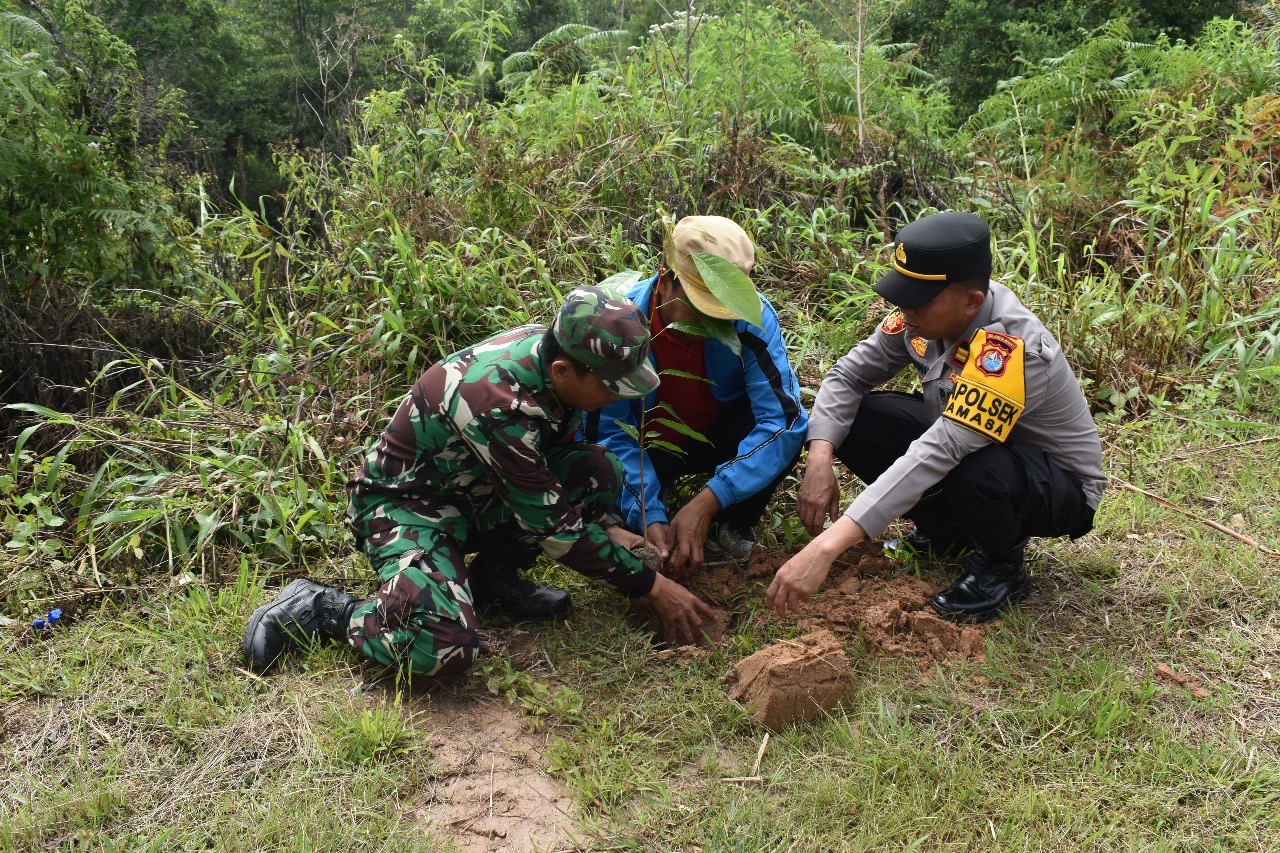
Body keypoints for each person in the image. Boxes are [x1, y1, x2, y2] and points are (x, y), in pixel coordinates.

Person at [243, 286, 713, 675]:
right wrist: (652, 586)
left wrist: (609, 525)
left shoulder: (557, 361)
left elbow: (548, 474)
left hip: (475, 491)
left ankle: (490, 579)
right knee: (444, 645)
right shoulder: (496, 400)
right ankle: (326, 609)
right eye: (611, 386)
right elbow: (556, 530)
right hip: (404, 505)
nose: (615, 398)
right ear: (563, 371)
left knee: (598, 471)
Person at [767, 211, 1106, 622]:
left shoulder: (1010, 348)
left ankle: (1002, 566)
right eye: (902, 295)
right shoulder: (920, 319)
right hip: (975, 449)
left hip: (1055, 485)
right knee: (861, 419)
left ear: (971, 302)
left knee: (976, 468)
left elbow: (943, 447)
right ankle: (948, 534)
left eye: (917, 300)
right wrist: (819, 460)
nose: (902, 309)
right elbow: (847, 376)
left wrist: (825, 547)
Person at [583, 215, 808, 575]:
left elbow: (783, 420)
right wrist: (648, 512)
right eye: (702, 309)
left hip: (717, 434)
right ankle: (649, 501)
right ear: (665, 279)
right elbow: (608, 430)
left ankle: (734, 518)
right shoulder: (620, 323)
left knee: (788, 425)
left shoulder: (751, 319)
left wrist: (710, 499)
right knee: (597, 470)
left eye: (721, 313)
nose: (711, 326)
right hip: (648, 443)